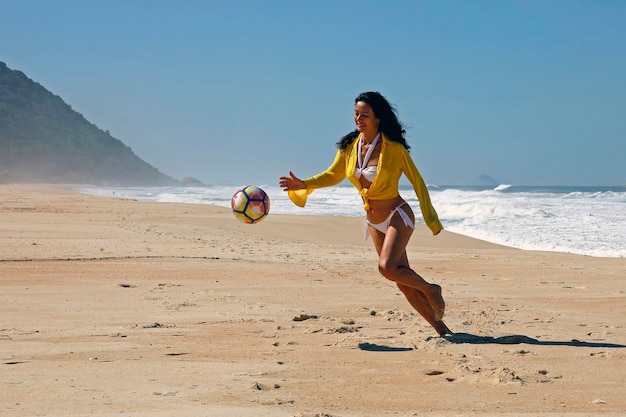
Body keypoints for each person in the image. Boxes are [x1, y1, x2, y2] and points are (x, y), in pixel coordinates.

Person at [279, 91, 451, 336]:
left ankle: (432, 289)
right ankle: (442, 330)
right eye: (356, 114)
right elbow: (333, 175)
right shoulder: (350, 146)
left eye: (365, 115)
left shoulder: (393, 148)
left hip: (396, 215)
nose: (358, 119)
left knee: (387, 268)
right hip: (373, 220)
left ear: (377, 118)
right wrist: (304, 184)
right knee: (402, 283)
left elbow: (418, 181)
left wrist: (431, 219)